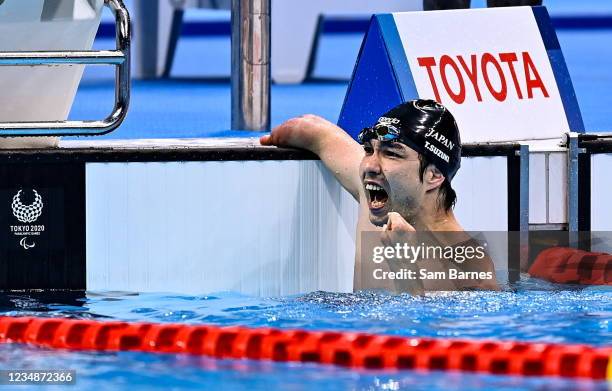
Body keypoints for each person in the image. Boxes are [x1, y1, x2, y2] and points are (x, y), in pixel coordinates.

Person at [261, 100, 498, 294]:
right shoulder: (380, 193)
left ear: (434, 175)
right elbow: (316, 131)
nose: (369, 166)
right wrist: (273, 138)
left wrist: (404, 266)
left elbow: (420, 340)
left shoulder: (470, 267)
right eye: (368, 150)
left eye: (392, 154)